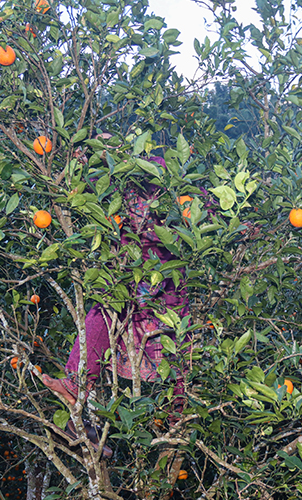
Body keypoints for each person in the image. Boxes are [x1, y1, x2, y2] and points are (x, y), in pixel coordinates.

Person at [41, 156, 191, 454]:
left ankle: (176, 419)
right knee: (110, 318)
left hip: (152, 282)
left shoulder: (157, 181)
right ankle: (83, 404)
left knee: (178, 348)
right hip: (136, 279)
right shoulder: (122, 180)